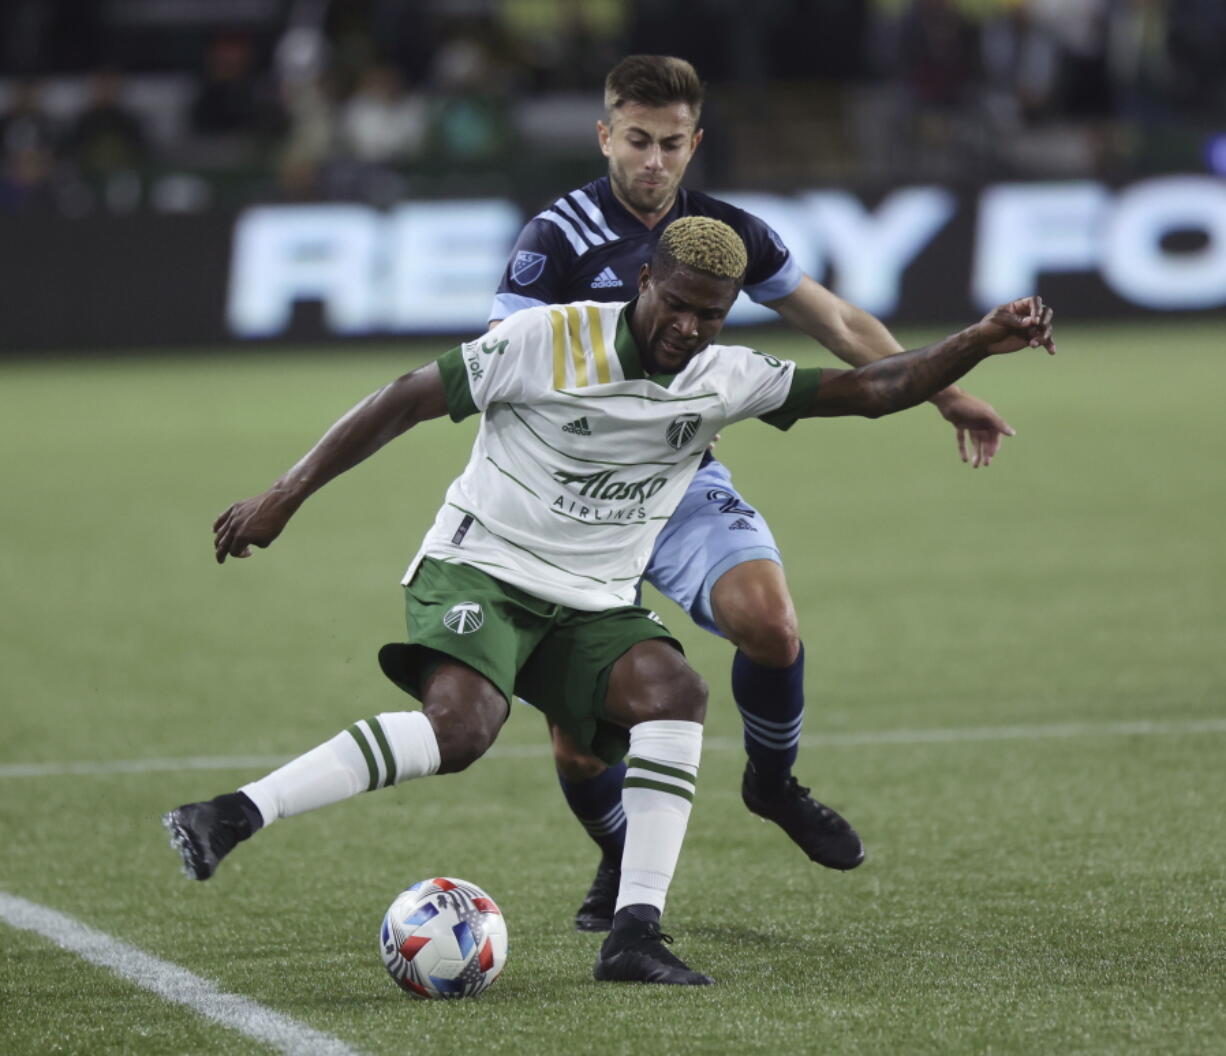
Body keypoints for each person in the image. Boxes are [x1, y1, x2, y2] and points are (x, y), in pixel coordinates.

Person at [165, 215, 1054, 987]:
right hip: (483, 568)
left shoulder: (725, 375)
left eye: (712, 312)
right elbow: (405, 399)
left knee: (676, 693)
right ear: (645, 282)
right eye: (679, 302)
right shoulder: (545, 340)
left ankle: (634, 934)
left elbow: (873, 389)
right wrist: (283, 495)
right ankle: (232, 814)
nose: (690, 325)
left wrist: (975, 340)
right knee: (464, 730)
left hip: (591, 600)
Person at [490, 54, 1019, 931]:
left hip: (681, 477)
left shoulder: (724, 233)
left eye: (669, 144)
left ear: (695, 143)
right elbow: (505, 361)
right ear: (604, 135)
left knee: (771, 624)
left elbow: (841, 323)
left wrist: (949, 393)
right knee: (580, 745)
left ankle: (772, 785)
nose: (652, 161)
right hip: (570, 499)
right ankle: (621, 858)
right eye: (635, 141)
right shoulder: (554, 239)